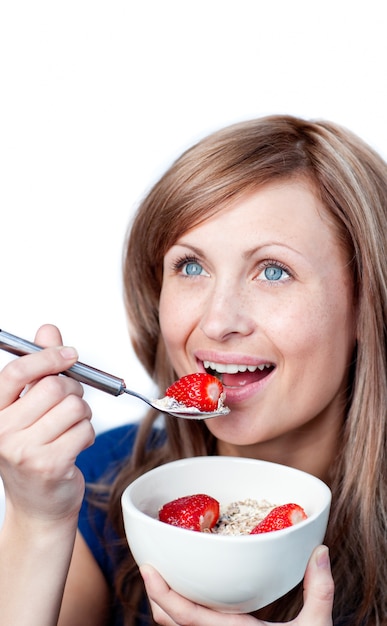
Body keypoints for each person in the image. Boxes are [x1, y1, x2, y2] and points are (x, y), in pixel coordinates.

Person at [0, 114, 386, 626]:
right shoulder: (95, 484)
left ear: (365, 305)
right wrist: (38, 519)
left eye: (274, 271)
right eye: (191, 266)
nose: (218, 321)